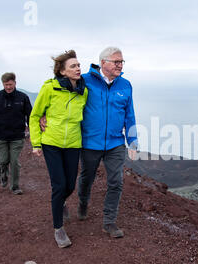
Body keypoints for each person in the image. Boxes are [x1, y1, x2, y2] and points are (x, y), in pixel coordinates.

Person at [40, 47, 138, 238]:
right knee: (86, 178)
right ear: (103, 63)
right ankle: (83, 202)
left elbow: (130, 114)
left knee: (116, 181)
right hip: (89, 142)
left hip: (115, 143)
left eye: (121, 62)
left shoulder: (125, 85)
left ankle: (109, 222)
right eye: (116, 62)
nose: (120, 65)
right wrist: (45, 113)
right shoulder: (84, 80)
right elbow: (61, 93)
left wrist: (132, 140)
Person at [30, 50, 88, 248]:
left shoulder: (84, 91)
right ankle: (58, 229)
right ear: (62, 71)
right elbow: (35, 115)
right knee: (59, 185)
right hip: (52, 143)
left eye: (79, 65)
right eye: (73, 66)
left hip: (73, 143)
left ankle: (61, 202)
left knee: (70, 185)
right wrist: (36, 143)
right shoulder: (50, 89)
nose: (78, 68)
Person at [0, 72, 32, 195]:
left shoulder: (23, 98)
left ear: (15, 83)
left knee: (14, 161)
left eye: (10, 84)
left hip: (17, 136)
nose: (8, 87)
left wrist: (33, 132)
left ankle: (15, 186)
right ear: (3, 84)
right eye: (6, 85)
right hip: (0, 136)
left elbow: (30, 116)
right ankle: (4, 175)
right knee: (3, 160)